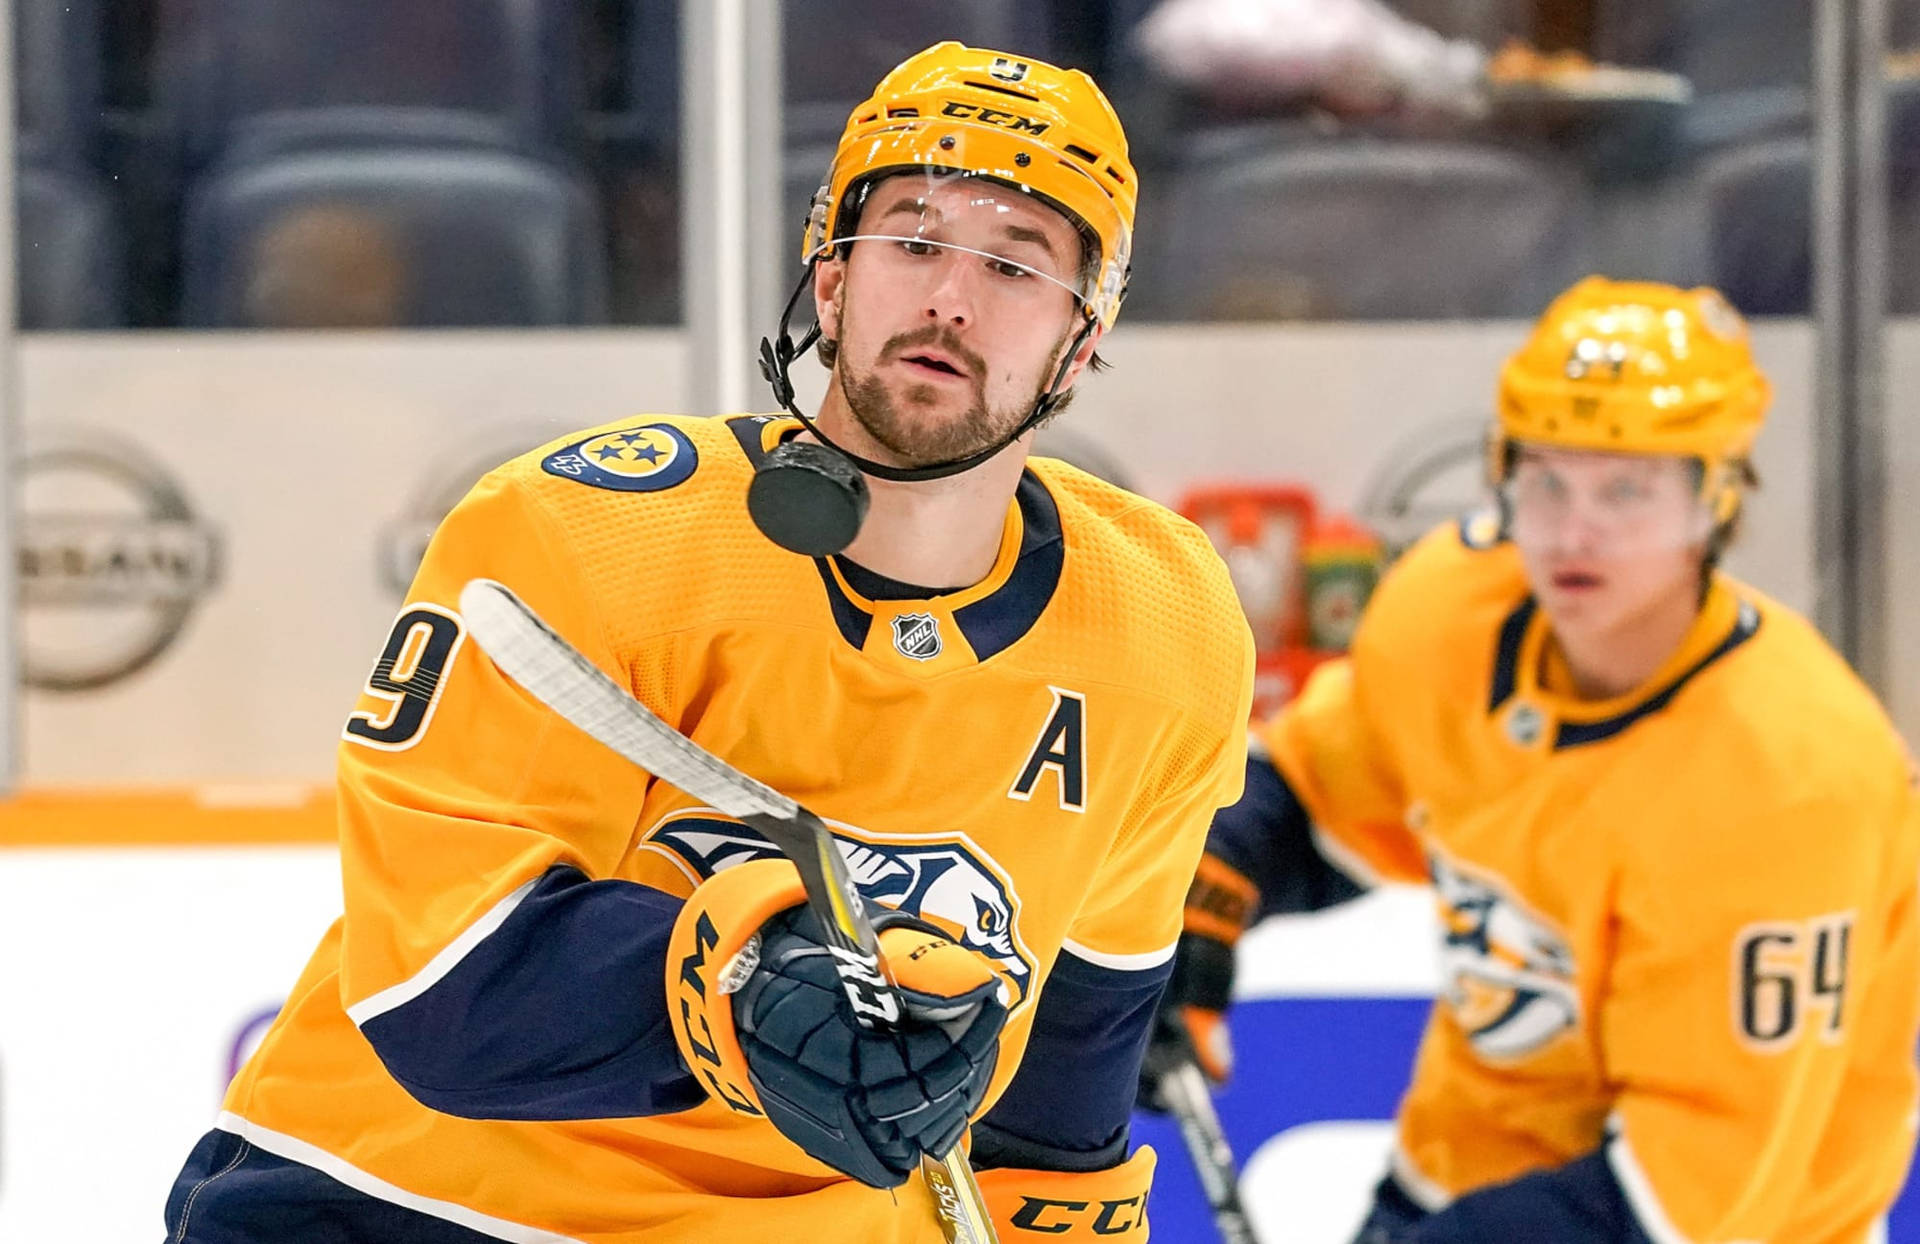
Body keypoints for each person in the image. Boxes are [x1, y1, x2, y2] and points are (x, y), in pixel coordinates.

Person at [163, 42, 1254, 1244]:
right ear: (831, 278)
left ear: (1086, 331)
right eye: (912, 238)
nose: (951, 295)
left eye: (1015, 262)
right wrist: (741, 983)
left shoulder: (1163, 623)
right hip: (395, 1198)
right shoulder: (584, 530)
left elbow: (1067, 1066)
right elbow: (443, 991)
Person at [1146, 277, 1920, 1242]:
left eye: (1626, 488)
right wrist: (1197, 906)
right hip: (1457, 1181)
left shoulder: (1795, 779)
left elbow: (1693, 1197)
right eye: (1545, 479)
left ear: (1716, 500)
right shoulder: (1455, 615)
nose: (1572, 532)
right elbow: (1319, 791)